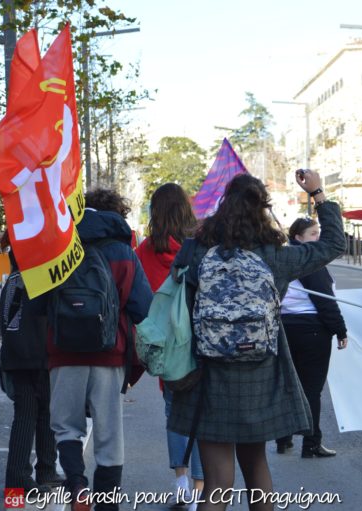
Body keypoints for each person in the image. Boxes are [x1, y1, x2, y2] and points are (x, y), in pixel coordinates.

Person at [168, 171, 345, 511]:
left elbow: (175, 299)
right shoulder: (275, 256)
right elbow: (333, 244)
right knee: (256, 467)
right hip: (260, 371)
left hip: (207, 372)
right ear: (263, 209)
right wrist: (318, 194)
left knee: (218, 482)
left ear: (223, 206)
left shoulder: (196, 252)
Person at [48, 189, 153, 511]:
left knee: (66, 426)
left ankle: (77, 484)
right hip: (111, 352)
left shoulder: (58, 247)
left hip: (63, 351)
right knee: (109, 433)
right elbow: (143, 307)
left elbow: (38, 301)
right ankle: (107, 504)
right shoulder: (123, 250)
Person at [134, 183, 203, 508]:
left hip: (167, 346)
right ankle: (202, 488)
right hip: (202, 342)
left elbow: (137, 298)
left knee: (174, 412)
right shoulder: (200, 244)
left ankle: (181, 481)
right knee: (204, 415)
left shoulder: (145, 251)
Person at [275, 217, 348, 458]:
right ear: (298, 238)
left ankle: (283, 438)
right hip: (312, 330)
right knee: (311, 389)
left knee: (288, 386)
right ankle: (311, 442)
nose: (318, 238)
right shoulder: (310, 261)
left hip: (285, 327)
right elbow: (325, 301)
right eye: (313, 234)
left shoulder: (282, 258)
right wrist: (340, 329)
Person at [0, 232, 64, 492]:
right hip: (36, 356)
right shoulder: (38, 278)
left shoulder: (13, 279)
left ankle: (42, 470)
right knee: (35, 415)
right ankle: (24, 475)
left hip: (17, 357)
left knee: (35, 414)